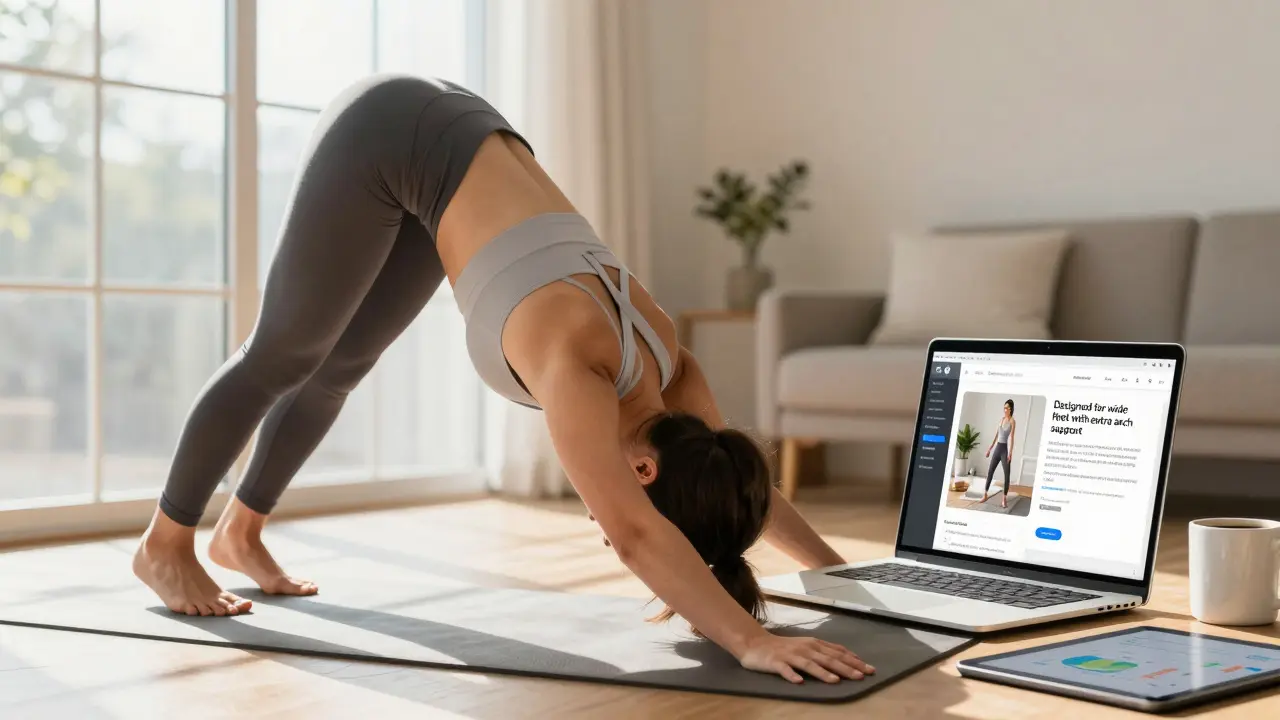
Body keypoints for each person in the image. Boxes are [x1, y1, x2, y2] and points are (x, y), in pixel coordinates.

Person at [132, 75, 873, 685]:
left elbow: (739, 483)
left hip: (458, 142)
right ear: (644, 470)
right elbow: (635, 533)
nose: (601, 518)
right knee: (283, 354)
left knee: (341, 366)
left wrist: (843, 580)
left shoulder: (668, 368)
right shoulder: (579, 367)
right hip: (392, 129)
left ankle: (240, 533)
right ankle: (165, 543)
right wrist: (750, 641)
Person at [981, 399, 1017, 508]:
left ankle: (1004, 499)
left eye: (1007, 408)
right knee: (990, 471)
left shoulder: (1012, 421)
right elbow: (996, 435)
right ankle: (985, 494)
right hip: (997, 448)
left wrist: (1010, 453)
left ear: (1011, 409)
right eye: (1004, 408)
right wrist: (990, 448)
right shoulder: (1001, 420)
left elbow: (1012, 438)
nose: (1005, 410)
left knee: (1007, 475)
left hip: (1004, 450)